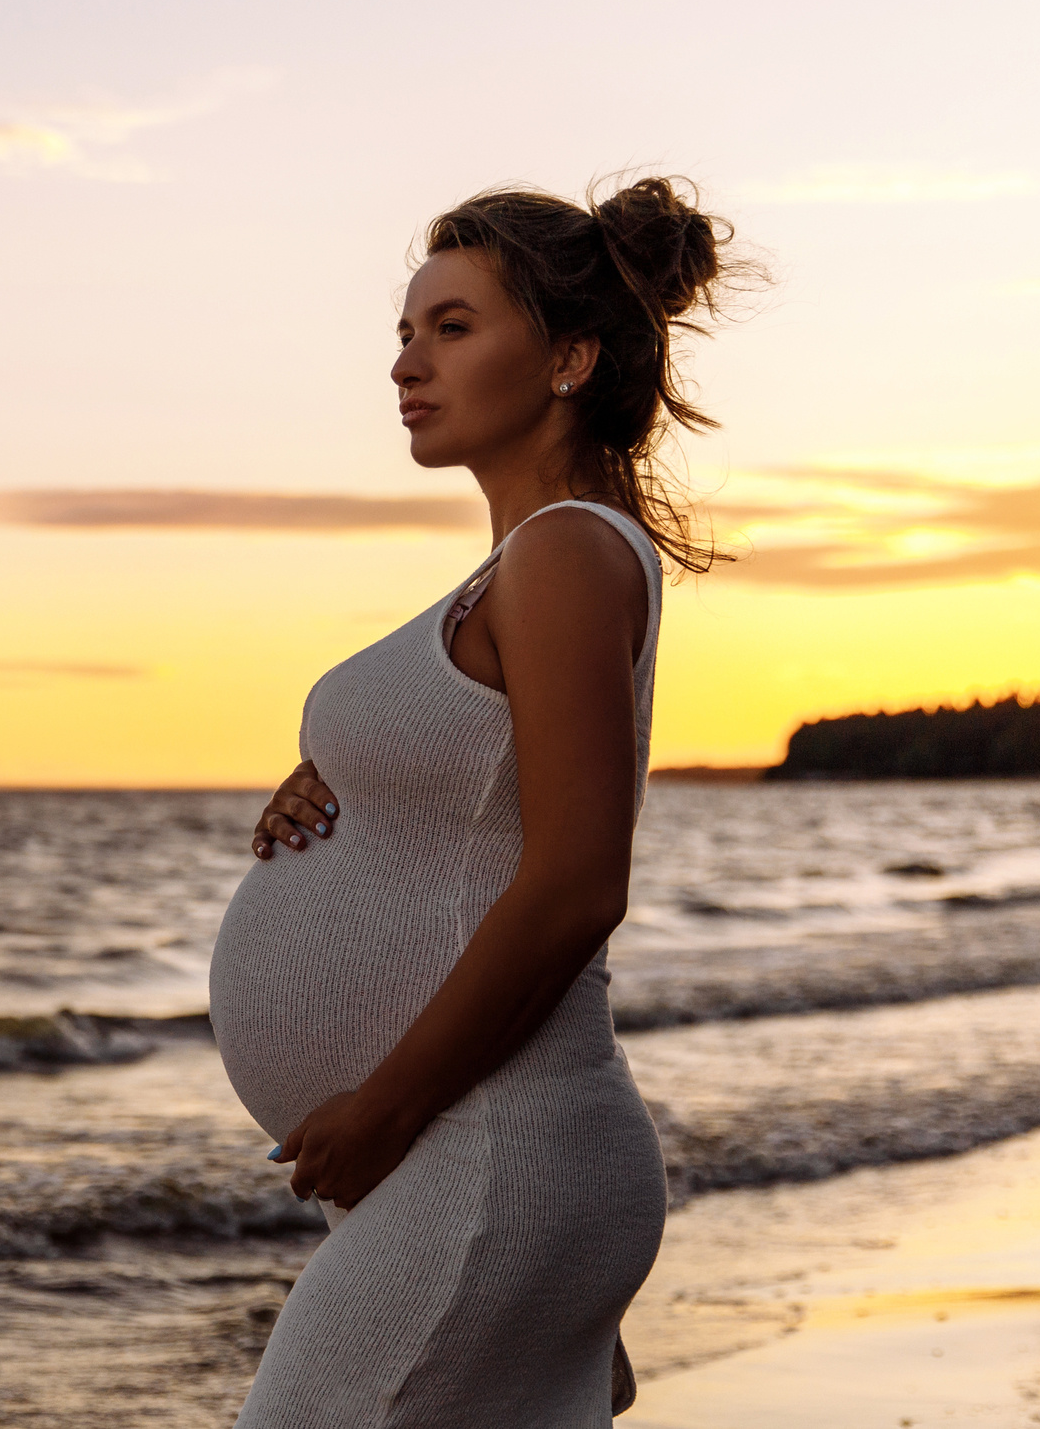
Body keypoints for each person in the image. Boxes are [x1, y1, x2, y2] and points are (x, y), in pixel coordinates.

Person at [208, 176, 740, 1425]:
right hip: (467, 1161)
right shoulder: (526, 559)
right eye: (403, 332)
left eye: (451, 328)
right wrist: (346, 779)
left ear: (567, 357)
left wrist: (383, 1109)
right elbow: (478, 782)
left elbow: (573, 885)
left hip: (484, 1149)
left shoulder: (564, 551)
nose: (407, 362)